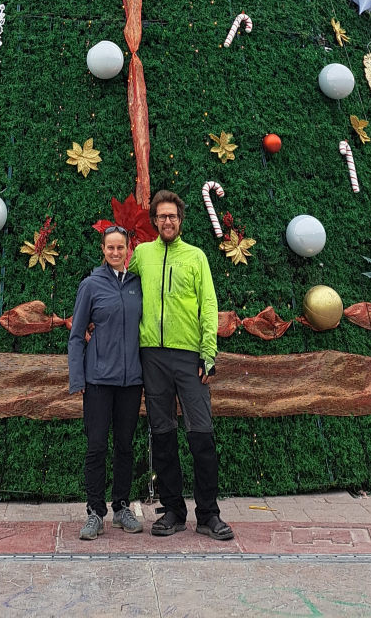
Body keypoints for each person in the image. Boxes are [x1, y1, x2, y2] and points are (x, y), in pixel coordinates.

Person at [127, 189, 233, 540]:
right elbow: (119, 285)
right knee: (163, 435)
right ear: (154, 221)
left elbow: (208, 304)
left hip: (190, 357)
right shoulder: (142, 254)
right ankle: (173, 510)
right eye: (162, 216)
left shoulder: (196, 257)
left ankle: (208, 514)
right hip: (152, 357)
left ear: (180, 220)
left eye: (172, 216)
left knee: (201, 435)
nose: (167, 221)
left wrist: (208, 353)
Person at [67, 224, 145, 540]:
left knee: (125, 446)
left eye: (120, 247)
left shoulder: (138, 285)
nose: (115, 252)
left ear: (129, 250)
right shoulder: (90, 285)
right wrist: (78, 377)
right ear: (103, 249)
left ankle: (121, 507)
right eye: (110, 247)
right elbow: (76, 336)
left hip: (131, 380)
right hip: (98, 380)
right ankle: (94, 512)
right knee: (97, 446)